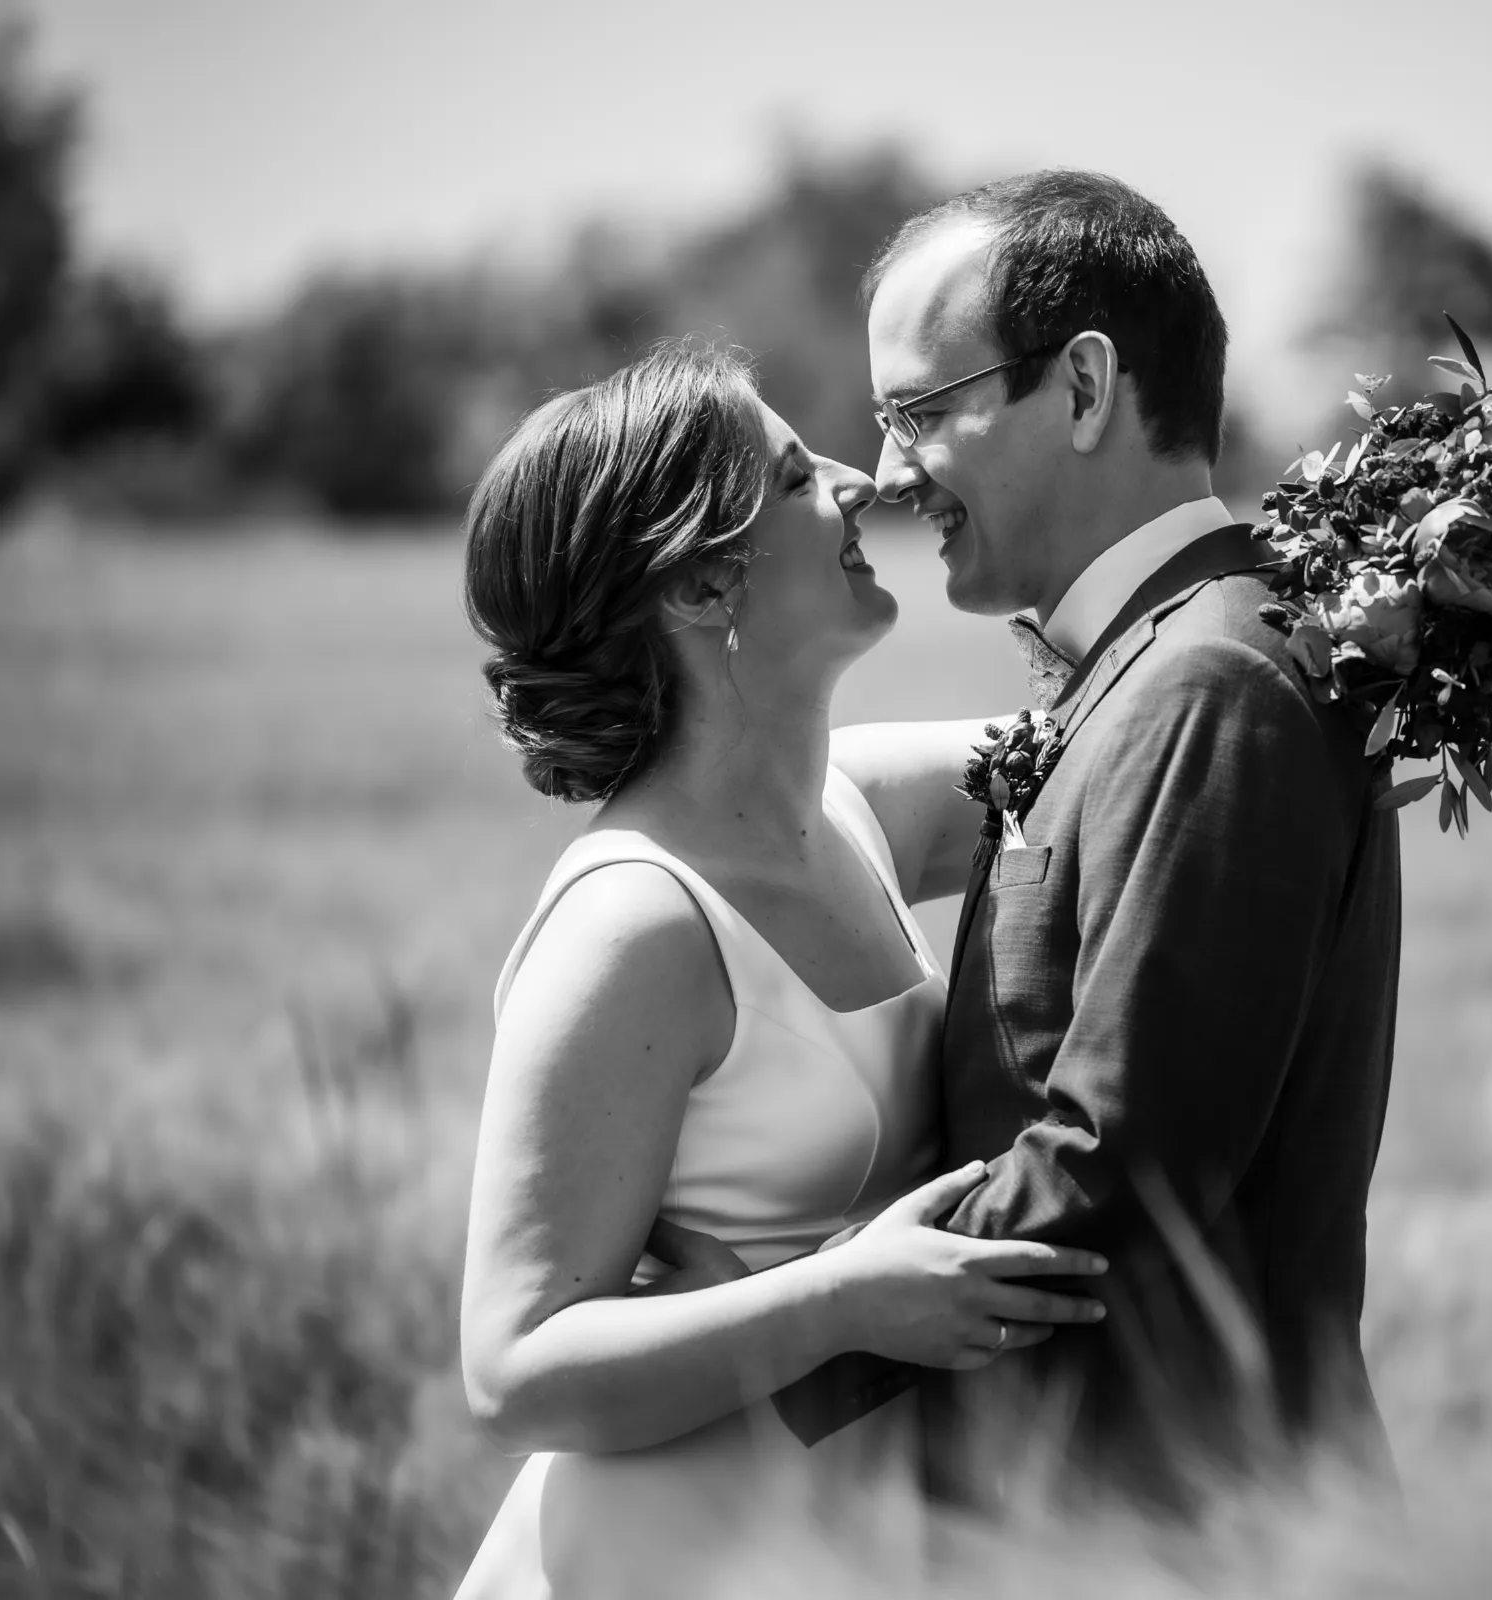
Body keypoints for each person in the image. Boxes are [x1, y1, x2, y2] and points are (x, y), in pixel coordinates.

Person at [770, 170, 1405, 1509]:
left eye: (921, 413)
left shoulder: (1212, 679)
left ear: (1082, 388)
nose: (887, 473)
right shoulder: (1149, 667)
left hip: (1181, 1526)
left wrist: (764, 1382)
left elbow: (1122, 1171)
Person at [449, 343, 1109, 1598]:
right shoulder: (636, 923)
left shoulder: (858, 802)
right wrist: (838, 1301)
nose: (863, 480)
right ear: (704, 581)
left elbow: (1141, 735)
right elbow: (511, 1368)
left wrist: (1407, 607)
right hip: (657, 1557)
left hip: (839, 1545)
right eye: (799, 472)